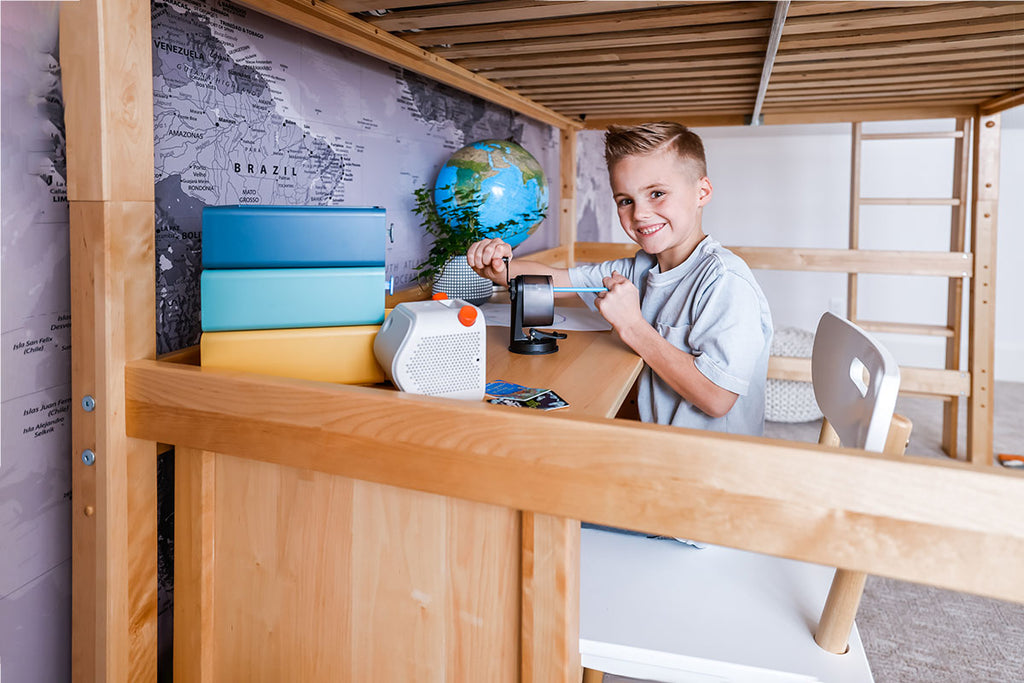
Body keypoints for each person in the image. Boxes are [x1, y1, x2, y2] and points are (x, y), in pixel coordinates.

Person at [466, 121, 773, 437]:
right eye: (625, 200)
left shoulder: (725, 280)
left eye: (657, 193)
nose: (639, 214)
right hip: (656, 441)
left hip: (708, 464)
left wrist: (632, 325)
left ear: (702, 192)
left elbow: (717, 398)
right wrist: (501, 269)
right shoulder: (642, 267)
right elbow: (559, 279)